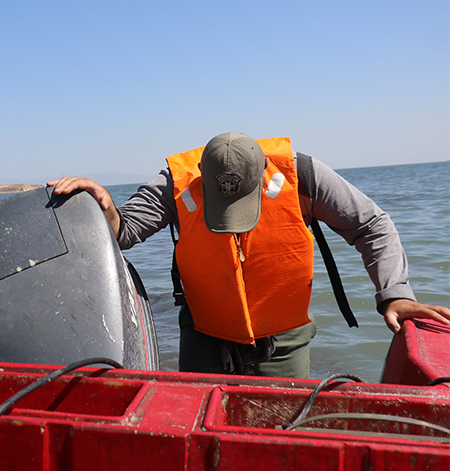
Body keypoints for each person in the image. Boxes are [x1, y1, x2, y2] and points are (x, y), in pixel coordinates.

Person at [50, 132, 450, 378]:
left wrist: (396, 293)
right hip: (203, 333)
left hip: (283, 339)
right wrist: (102, 208)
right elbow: (126, 231)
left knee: (281, 436)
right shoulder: (176, 180)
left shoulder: (304, 175)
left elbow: (372, 225)